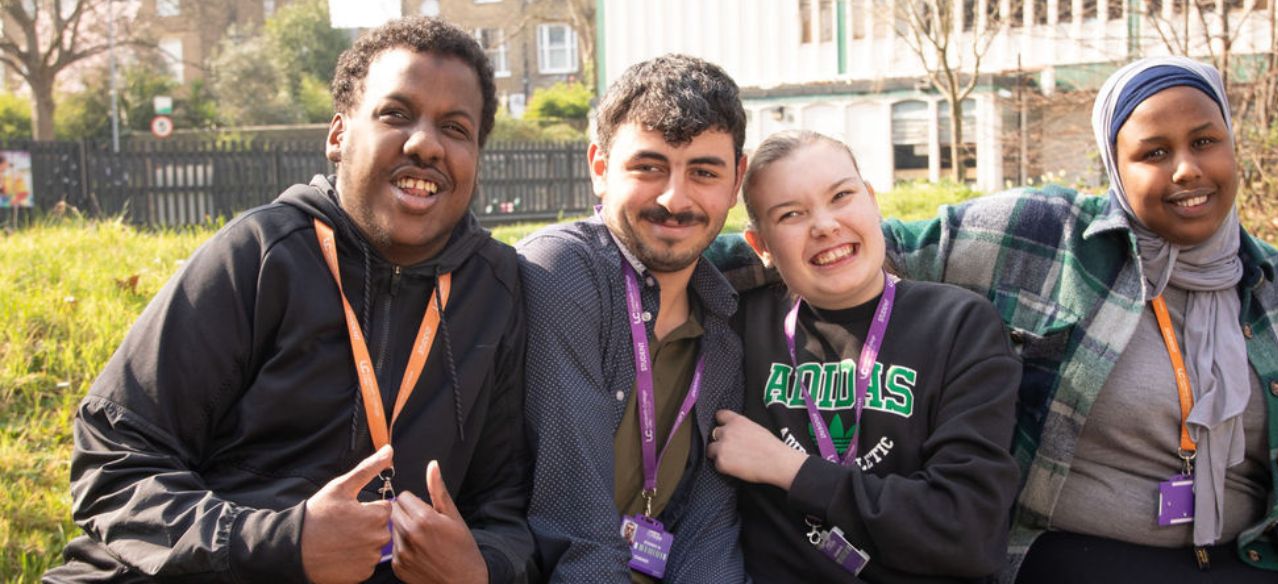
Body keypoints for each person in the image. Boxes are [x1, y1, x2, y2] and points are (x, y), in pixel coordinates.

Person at [713, 56, 1278, 583]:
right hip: (1076, 554)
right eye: (1153, 152)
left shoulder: (1277, 289)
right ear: (1116, 168)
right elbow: (873, 242)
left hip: (1246, 553)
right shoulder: (1047, 237)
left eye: (1205, 141)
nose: (1186, 169)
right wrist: (663, 246)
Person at [44, 17, 533, 583]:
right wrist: (282, 544)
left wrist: (482, 570)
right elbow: (113, 463)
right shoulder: (260, 255)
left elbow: (504, 506)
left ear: (476, 158)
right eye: (396, 114)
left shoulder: (495, 289)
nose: (425, 143)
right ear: (338, 134)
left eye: (455, 128)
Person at [707, 130, 1021, 583]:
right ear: (761, 247)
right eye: (791, 214)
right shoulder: (740, 327)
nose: (824, 225)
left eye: (841, 196)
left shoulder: (958, 324)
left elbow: (967, 530)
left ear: (872, 201)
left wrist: (790, 469)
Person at [518, 54, 749, 582]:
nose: (675, 198)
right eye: (649, 167)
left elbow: (709, 524)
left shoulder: (722, 317)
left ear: (736, 182)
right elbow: (572, 517)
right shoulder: (563, 272)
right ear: (600, 167)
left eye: (704, 172)